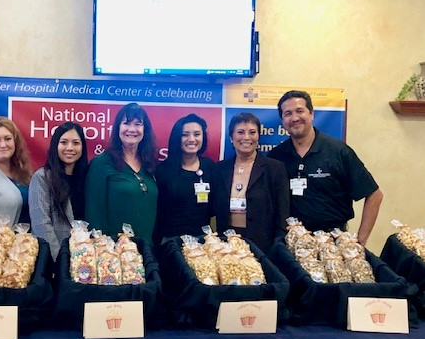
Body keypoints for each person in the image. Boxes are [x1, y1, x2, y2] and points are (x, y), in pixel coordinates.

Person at [268, 89, 383, 246]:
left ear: (311, 114)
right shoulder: (276, 157)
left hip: (333, 243)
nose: (294, 118)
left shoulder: (338, 151)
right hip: (292, 243)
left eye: (300, 111)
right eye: (288, 114)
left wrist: (360, 241)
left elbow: (375, 195)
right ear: (282, 120)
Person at [212, 112, 289, 254]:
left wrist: (278, 246)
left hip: (264, 245)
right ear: (231, 137)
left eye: (252, 132)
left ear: (258, 136)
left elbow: (282, 212)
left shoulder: (275, 168)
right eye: (240, 132)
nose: (246, 137)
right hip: (227, 244)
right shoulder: (219, 169)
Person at [85, 103, 158, 243]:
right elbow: (94, 214)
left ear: (145, 129)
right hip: (115, 254)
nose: (132, 129)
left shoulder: (150, 164)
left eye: (138, 124)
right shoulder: (101, 164)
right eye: (126, 123)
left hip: (147, 251)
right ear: (117, 128)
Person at [28, 122, 88, 261]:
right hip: (56, 262)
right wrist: (60, 260)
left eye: (76, 143)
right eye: (64, 142)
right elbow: (41, 225)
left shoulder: (87, 177)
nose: (70, 148)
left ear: (82, 147)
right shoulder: (42, 178)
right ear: (56, 145)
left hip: (85, 261)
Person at [154, 113, 215, 242]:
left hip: (203, 242)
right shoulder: (162, 170)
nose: (192, 139)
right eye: (185, 134)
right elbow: (158, 213)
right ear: (177, 138)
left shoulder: (209, 166)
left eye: (197, 134)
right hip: (171, 242)